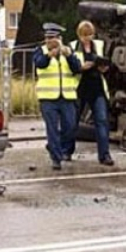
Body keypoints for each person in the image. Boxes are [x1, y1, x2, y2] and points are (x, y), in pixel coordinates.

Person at [33, 22, 82, 170]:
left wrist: (69, 56)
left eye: (53, 38)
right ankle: (56, 158)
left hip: (67, 96)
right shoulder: (40, 51)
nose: (49, 41)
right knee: (52, 128)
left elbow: (77, 68)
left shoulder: (68, 50)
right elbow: (39, 64)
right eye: (47, 38)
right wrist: (49, 55)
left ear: (60, 38)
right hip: (48, 97)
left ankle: (58, 147)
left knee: (70, 127)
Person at [70, 20, 114, 166]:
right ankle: (67, 151)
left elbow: (108, 64)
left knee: (101, 121)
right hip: (79, 88)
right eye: (84, 35)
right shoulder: (72, 46)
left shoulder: (99, 45)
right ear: (79, 35)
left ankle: (104, 155)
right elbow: (69, 68)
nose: (87, 38)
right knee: (73, 122)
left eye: (90, 35)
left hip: (97, 87)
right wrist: (81, 68)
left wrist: (104, 68)